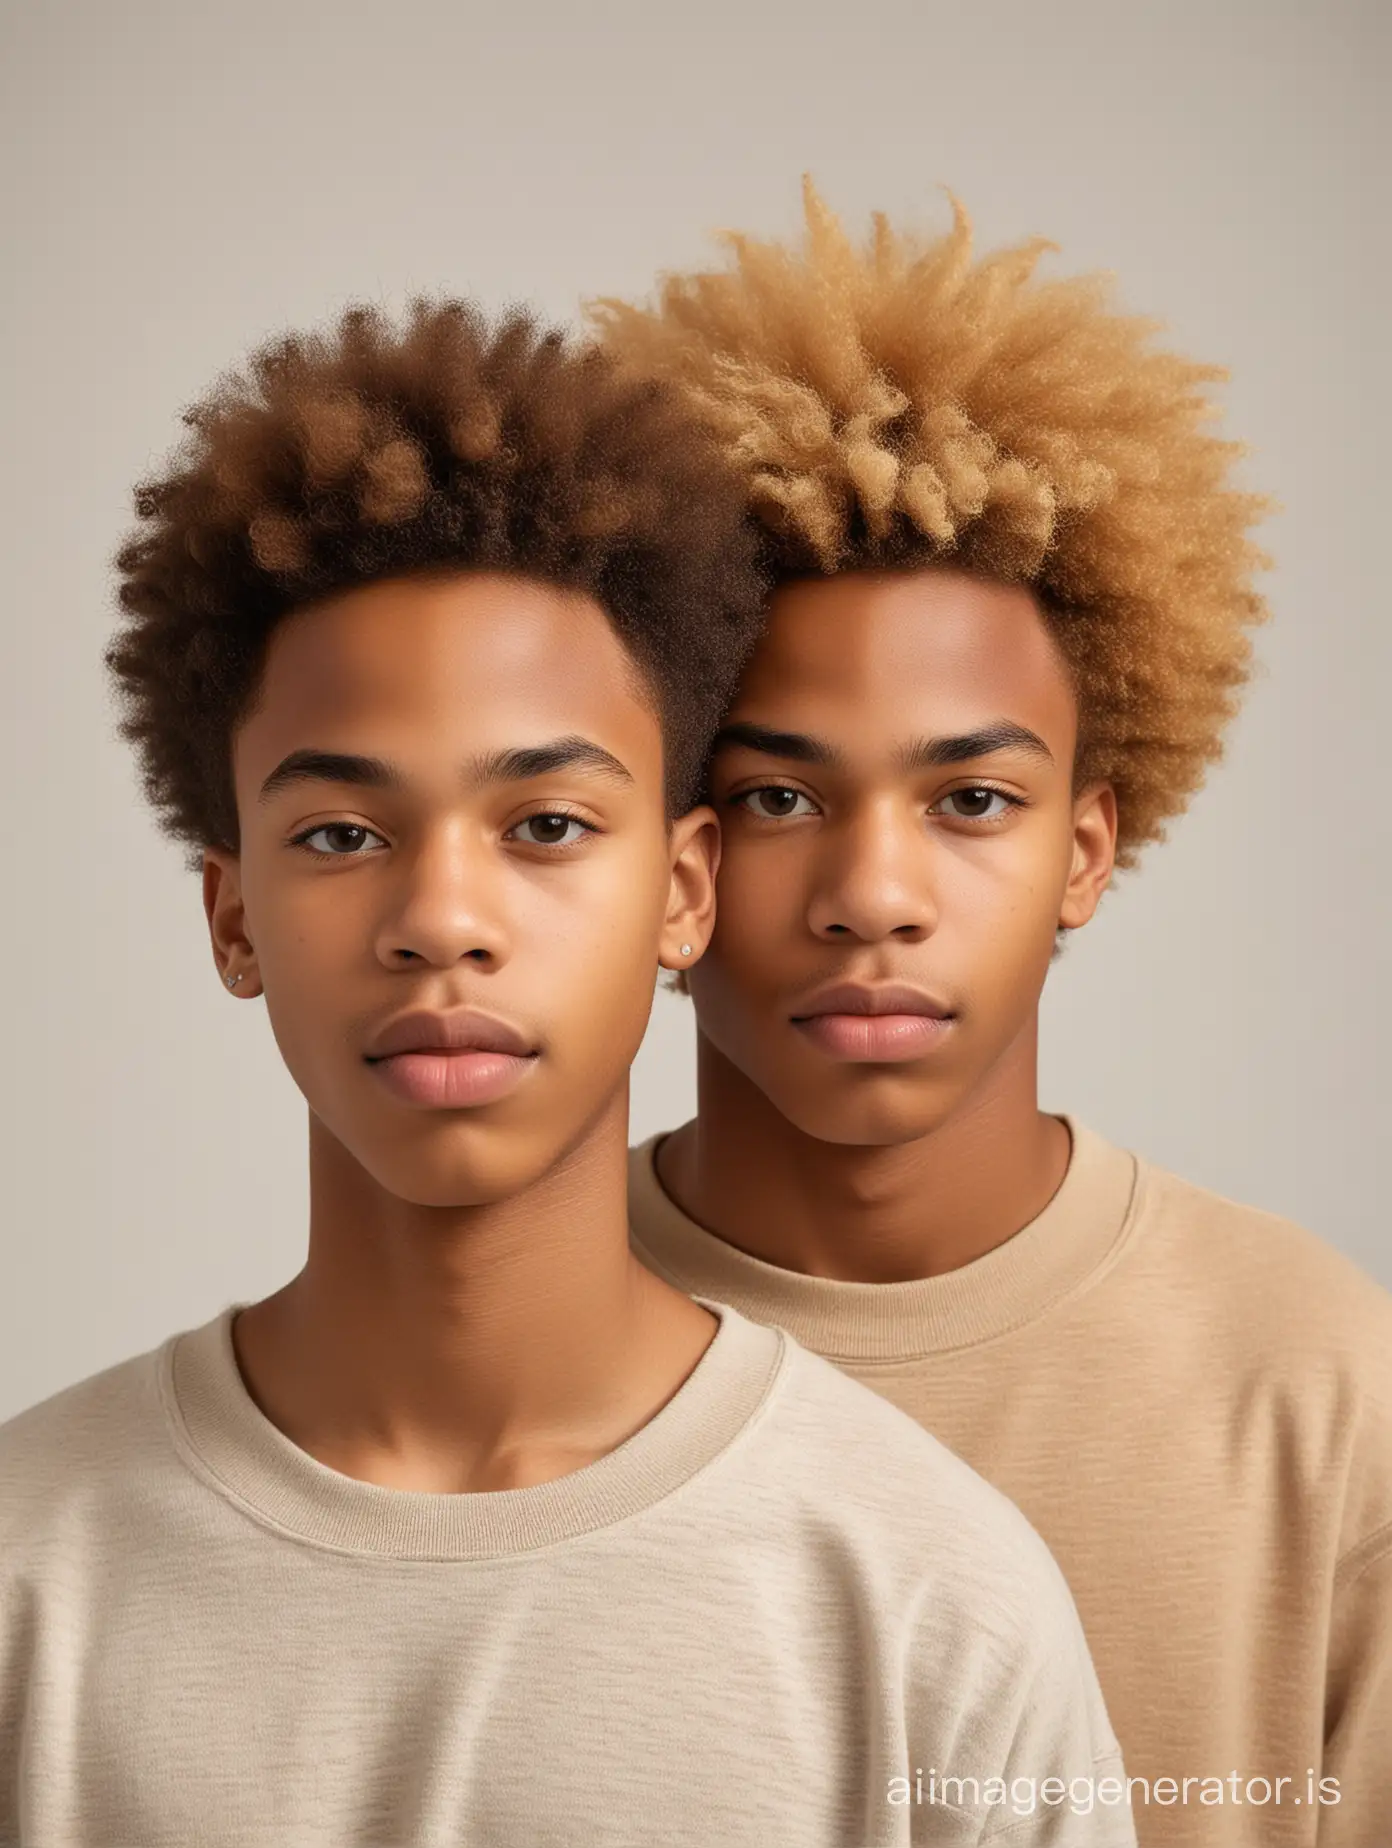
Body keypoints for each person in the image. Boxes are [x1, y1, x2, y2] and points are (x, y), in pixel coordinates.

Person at [0, 298, 1136, 1847]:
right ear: (235, 913)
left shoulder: (925, 1597)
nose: (441, 923)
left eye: (544, 827)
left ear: (684, 893)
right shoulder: (30, 1575)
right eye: (342, 833)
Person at [594, 183, 1392, 1847]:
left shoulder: (1312, 1380)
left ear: (1087, 849)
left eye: (971, 801)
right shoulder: (505, 1341)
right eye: (773, 798)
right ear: (668, 856)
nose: (873, 893)